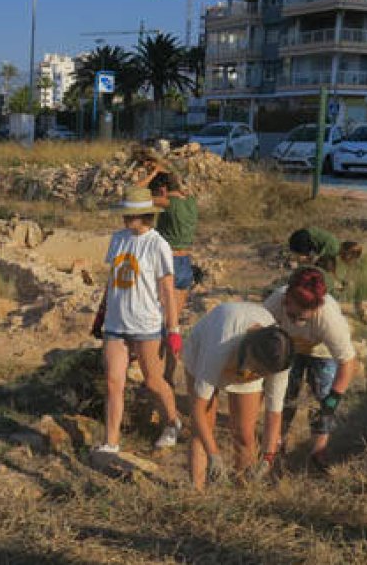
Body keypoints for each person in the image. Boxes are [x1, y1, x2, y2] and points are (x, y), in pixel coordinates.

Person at [90, 186, 183, 454]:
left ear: (144, 215)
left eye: (131, 214)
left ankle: (172, 422)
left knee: (153, 381)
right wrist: (101, 314)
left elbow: (167, 288)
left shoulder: (158, 244)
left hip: (146, 324)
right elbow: (112, 280)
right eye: (125, 214)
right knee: (113, 382)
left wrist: (173, 328)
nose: (125, 219)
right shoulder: (118, 239)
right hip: (116, 323)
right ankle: (111, 442)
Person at [182, 303, 294, 489]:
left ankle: (243, 494)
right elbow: (198, 410)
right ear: (249, 350)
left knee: (244, 434)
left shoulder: (280, 356)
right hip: (203, 350)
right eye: (257, 370)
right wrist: (214, 456)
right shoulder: (221, 343)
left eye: (263, 374)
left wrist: (267, 459)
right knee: (202, 430)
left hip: (247, 357)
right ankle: (197, 493)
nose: (258, 376)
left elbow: (273, 414)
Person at [264, 267, 358, 472]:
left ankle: (318, 451)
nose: (297, 322)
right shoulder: (275, 301)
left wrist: (333, 399)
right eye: (292, 316)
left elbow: (348, 362)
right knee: (284, 396)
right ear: (286, 299)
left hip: (322, 351)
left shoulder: (329, 318)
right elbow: (260, 334)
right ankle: (277, 444)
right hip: (288, 347)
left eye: (303, 318)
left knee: (322, 398)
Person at [139, 164, 198, 384]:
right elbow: (178, 184)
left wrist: (152, 174)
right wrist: (166, 171)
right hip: (185, 264)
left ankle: (156, 377)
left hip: (168, 263)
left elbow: (133, 194)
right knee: (173, 325)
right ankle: (170, 376)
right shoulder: (190, 202)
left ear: (162, 191)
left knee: (159, 325)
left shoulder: (167, 203)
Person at [288, 227, 361, 266]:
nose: (349, 260)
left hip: (301, 234)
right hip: (304, 238)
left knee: (302, 260)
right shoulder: (335, 249)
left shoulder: (336, 244)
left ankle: (290, 262)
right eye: (351, 258)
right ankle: (290, 263)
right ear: (347, 252)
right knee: (304, 261)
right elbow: (316, 258)